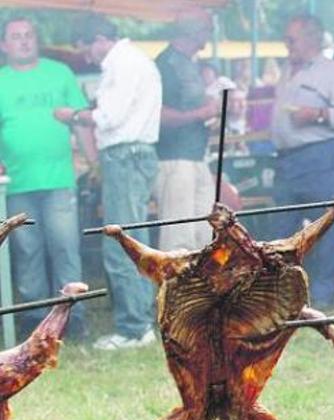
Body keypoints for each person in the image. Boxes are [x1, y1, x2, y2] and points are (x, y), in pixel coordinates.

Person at [57, 15, 162, 350]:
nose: (88, 57)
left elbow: (109, 117)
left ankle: (133, 328)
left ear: (99, 39)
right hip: (132, 155)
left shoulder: (123, 65)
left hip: (125, 154)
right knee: (135, 243)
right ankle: (142, 321)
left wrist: (72, 116)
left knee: (121, 243)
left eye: (86, 49)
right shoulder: (132, 61)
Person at [0, 17, 94, 340]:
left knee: (65, 248)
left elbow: (82, 122)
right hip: (16, 186)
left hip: (59, 181)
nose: (24, 41)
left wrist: (94, 164)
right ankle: (35, 323)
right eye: (16, 37)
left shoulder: (60, 74)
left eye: (29, 35)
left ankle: (73, 318)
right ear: (3, 45)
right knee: (27, 253)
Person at [270, 15, 334, 308]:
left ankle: (322, 296)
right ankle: (282, 293)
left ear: (311, 39)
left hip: (319, 155)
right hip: (286, 159)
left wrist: (319, 114)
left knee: (323, 227)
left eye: (291, 40)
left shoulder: (332, 72)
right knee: (282, 227)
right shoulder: (286, 69)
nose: (287, 45)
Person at [153, 8, 220, 251]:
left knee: (203, 236)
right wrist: (200, 114)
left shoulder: (190, 65)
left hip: (195, 157)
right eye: (208, 29)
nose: (210, 35)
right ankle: (177, 289)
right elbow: (157, 113)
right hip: (173, 160)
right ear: (193, 31)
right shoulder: (166, 65)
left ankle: (200, 288)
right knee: (178, 240)